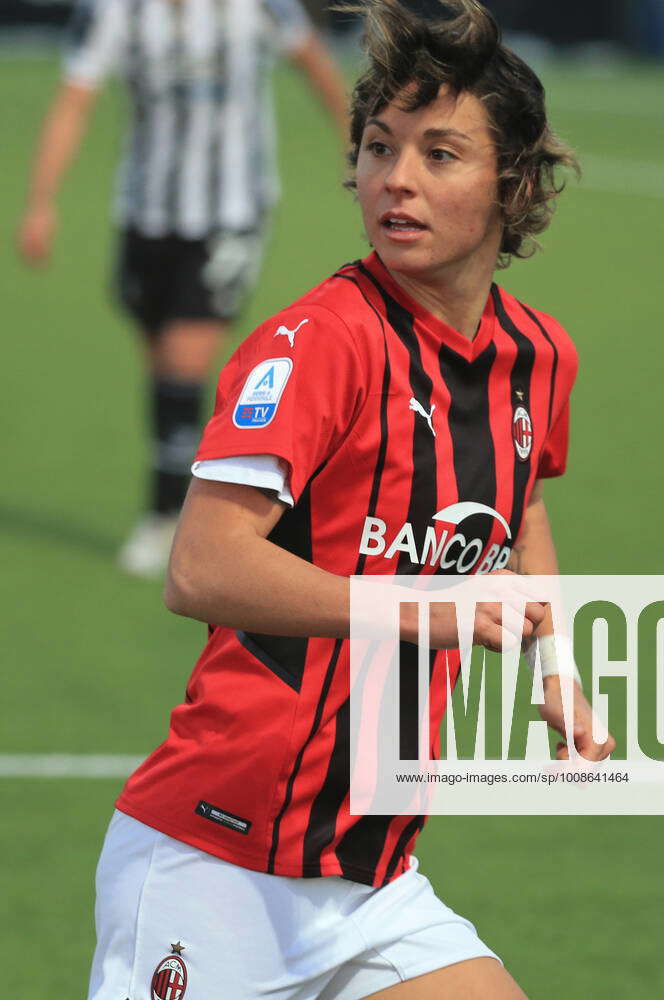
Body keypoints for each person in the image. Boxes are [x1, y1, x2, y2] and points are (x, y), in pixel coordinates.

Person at [87, 1, 615, 997]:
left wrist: (557, 664)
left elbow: (524, 503)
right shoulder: (321, 342)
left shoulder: (540, 358)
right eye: (380, 147)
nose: (396, 178)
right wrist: (430, 606)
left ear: (513, 183)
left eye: (440, 153)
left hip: (371, 881)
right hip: (215, 863)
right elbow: (201, 566)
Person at [17, 0, 350, 577]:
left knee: (182, 363)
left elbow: (314, 63)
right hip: (145, 211)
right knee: (161, 368)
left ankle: (169, 515)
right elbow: (76, 97)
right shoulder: (116, 11)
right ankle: (199, 500)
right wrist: (41, 202)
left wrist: (362, 151)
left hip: (229, 212)